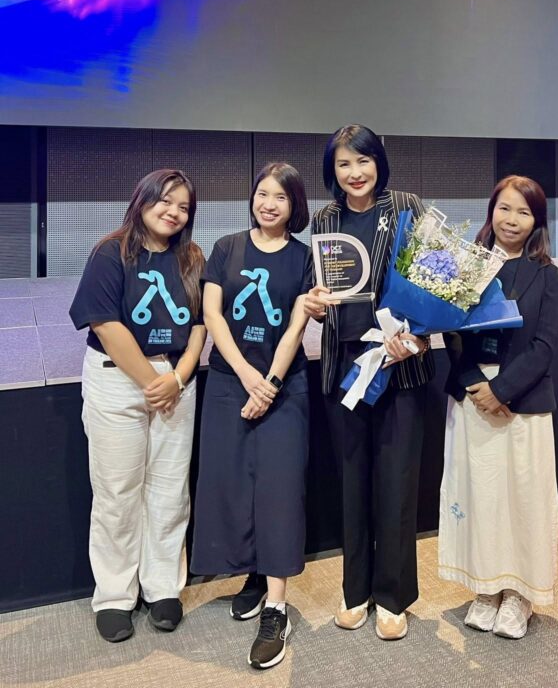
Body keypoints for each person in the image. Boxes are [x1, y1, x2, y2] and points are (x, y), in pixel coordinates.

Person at [304, 125, 433, 641]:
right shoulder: (324, 220)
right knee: (352, 482)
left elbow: (432, 280)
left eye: (363, 161)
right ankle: (354, 589)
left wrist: (416, 337)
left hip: (399, 365)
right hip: (345, 369)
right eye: (343, 164)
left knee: (397, 484)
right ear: (331, 170)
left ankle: (393, 596)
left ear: (379, 161)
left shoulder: (406, 206)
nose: (354, 173)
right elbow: (318, 292)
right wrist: (314, 306)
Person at [69, 169, 206, 643]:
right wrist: (155, 383)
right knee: (117, 493)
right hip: (119, 381)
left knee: (170, 491)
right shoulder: (111, 252)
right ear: (143, 199)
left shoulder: (192, 256)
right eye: (165, 200)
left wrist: (178, 378)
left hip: (176, 379)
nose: (173, 212)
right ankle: (114, 595)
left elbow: (200, 326)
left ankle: (163, 587)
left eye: (183, 206)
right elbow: (106, 325)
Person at [191, 162, 312, 670]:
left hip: (284, 386)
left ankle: (277, 609)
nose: (269, 204)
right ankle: (254, 576)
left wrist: (271, 384)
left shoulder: (305, 257)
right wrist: (245, 375)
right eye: (262, 193)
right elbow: (212, 315)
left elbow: (297, 326)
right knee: (233, 484)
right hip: (229, 382)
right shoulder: (227, 248)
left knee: (280, 489)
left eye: (280, 197)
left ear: (294, 205)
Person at [438, 175, 558, 639]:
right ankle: (486, 587)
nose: (511, 219)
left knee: (521, 499)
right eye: (504, 208)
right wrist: (476, 384)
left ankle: (518, 594)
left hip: (521, 404)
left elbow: (544, 346)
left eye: (523, 212)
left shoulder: (547, 275)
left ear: (537, 221)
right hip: (472, 398)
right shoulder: (466, 267)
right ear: (491, 211)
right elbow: (451, 332)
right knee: (480, 496)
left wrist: (502, 390)